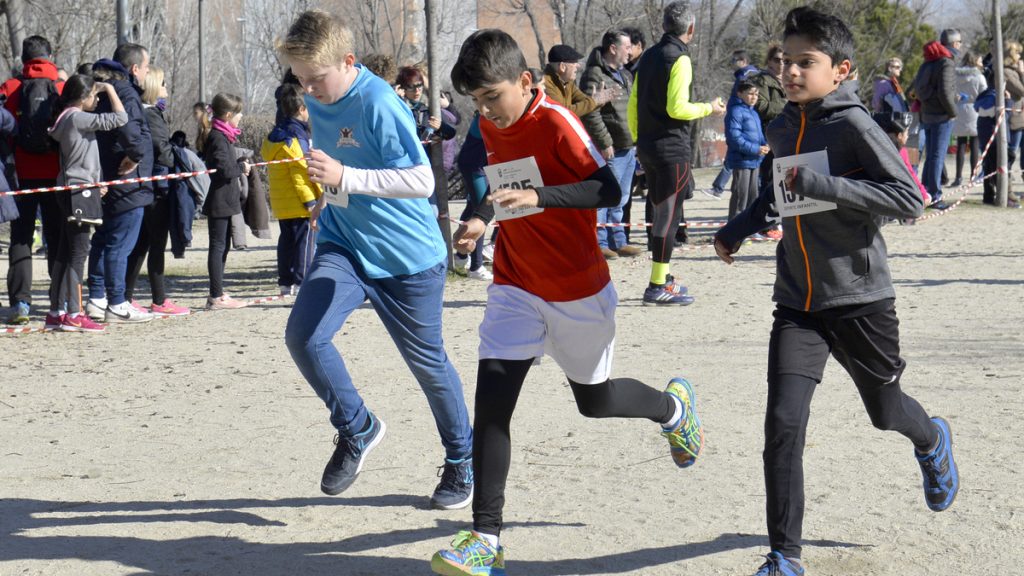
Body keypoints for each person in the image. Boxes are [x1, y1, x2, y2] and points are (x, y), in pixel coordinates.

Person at [430, 29, 705, 576]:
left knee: (595, 402)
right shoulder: (489, 124)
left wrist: (540, 198)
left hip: (577, 290)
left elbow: (609, 189)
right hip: (514, 284)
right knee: (493, 404)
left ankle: (674, 410)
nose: (487, 112)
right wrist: (482, 217)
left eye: (493, 98)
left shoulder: (557, 121)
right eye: (478, 102)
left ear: (525, 81)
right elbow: (496, 186)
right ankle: (486, 536)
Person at [714, 8, 959, 575]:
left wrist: (825, 184)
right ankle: (785, 556)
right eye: (786, 61)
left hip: (860, 300)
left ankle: (931, 439)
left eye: (807, 62)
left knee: (885, 411)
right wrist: (738, 228)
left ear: (842, 69)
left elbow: (908, 198)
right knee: (783, 423)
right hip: (797, 302)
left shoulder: (854, 126)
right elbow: (779, 189)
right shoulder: (781, 124)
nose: (792, 72)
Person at [277, 10, 474, 510]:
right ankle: (357, 426)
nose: (308, 90)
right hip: (344, 245)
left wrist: (346, 176)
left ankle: (462, 460)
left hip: (407, 259)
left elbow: (421, 181)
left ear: (348, 61)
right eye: (300, 79)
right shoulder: (318, 95)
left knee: (428, 366)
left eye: (315, 79)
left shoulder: (379, 101)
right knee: (304, 335)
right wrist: (330, 192)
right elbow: (345, 168)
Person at [629, 0, 726, 306]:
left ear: (663, 26)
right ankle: (657, 284)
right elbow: (678, 108)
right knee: (668, 218)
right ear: (691, 29)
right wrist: (709, 108)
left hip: (647, 145)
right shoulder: (679, 58)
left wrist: (638, 140)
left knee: (662, 213)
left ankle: (663, 275)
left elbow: (633, 105)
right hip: (671, 149)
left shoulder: (647, 57)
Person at [46, 75, 127, 332]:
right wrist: (111, 89)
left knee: (64, 252)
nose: (97, 99)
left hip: (74, 187)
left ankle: (56, 311)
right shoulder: (77, 117)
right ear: (83, 97)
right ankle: (74, 312)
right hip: (79, 191)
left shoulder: (66, 117)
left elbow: (83, 156)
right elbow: (120, 119)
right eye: (95, 95)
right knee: (78, 254)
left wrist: (96, 182)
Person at [86, 44, 156, 323]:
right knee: (119, 244)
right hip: (127, 182)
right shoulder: (125, 93)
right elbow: (128, 128)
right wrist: (136, 155)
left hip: (107, 176)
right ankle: (116, 302)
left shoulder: (100, 92)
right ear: (134, 68)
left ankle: (97, 299)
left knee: (103, 242)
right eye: (147, 67)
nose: (147, 72)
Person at [1, 35, 66, 325]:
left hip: (20, 175)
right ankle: (58, 300)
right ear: (50, 57)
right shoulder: (62, 88)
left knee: (21, 237)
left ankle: (20, 304)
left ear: (23, 60)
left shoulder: (10, 87)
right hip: (55, 174)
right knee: (55, 235)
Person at [124, 66, 190, 317]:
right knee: (154, 245)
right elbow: (161, 150)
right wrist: (179, 153)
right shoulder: (151, 115)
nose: (166, 88)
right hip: (157, 187)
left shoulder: (148, 113)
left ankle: (127, 296)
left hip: (149, 186)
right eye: (163, 83)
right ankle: (159, 300)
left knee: (141, 244)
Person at [580, 29, 643, 259]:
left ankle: (619, 240)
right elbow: (590, 112)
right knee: (605, 196)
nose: (630, 51)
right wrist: (605, 142)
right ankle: (600, 242)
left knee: (622, 196)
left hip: (628, 146)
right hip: (610, 147)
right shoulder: (594, 75)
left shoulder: (625, 74)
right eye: (626, 47)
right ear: (613, 48)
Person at [261, 83, 321, 297]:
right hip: (299, 202)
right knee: (304, 245)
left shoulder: (274, 135)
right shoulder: (296, 137)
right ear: (302, 109)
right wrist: (311, 201)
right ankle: (301, 283)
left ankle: (285, 282)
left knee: (286, 242)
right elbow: (300, 174)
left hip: (281, 202)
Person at [197, 92, 250, 310]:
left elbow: (226, 164)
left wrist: (237, 162)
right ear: (228, 115)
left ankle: (218, 291)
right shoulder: (218, 137)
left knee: (223, 247)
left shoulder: (225, 135)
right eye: (238, 113)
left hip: (227, 199)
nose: (241, 117)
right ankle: (215, 296)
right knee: (217, 247)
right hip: (219, 200)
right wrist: (241, 168)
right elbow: (222, 170)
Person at [702, 48, 761, 199]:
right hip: (745, 118)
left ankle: (718, 189)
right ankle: (718, 188)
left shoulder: (745, 75)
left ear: (743, 61)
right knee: (734, 156)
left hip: (741, 119)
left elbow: (743, 98)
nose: (732, 64)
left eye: (734, 61)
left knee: (736, 155)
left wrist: (732, 110)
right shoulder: (751, 74)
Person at [911, 30, 959, 210]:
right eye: (960, 42)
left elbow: (918, 88)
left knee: (929, 156)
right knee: (937, 156)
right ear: (954, 44)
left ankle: (925, 193)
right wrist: (953, 112)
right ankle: (936, 195)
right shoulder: (946, 63)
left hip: (926, 114)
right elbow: (945, 92)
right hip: (941, 116)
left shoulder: (927, 62)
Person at [451, 111, 493, 281]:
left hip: (481, 165)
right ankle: (476, 266)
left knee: (472, 208)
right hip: (475, 167)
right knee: (480, 212)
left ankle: (460, 257)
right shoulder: (486, 116)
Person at [975, 63, 1022, 207]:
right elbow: (1002, 117)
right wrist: (1007, 100)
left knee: (988, 166)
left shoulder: (984, 96)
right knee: (1004, 161)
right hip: (995, 138)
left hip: (985, 137)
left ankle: (988, 196)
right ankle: (1005, 195)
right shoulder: (995, 98)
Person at [724, 80, 769, 220]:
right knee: (740, 198)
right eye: (750, 93)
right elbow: (734, 138)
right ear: (739, 93)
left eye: (756, 94)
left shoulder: (754, 113)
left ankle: (748, 229)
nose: (754, 97)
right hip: (741, 161)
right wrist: (755, 149)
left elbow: (759, 135)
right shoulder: (735, 111)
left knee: (753, 198)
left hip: (755, 161)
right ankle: (733, 231)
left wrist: (765, 145)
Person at [873, 111, 931, 208]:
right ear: (899, 136)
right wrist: (924, 195)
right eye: (907, 133)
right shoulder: (902, 151)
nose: (908, 136)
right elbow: (911, 174)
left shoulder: (878, 145)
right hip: (895, 193)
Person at [542, 44, 611, 118]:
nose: (578, 66)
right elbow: (562, 112)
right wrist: (594, 101)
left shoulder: (567, 82)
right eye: (574, 62)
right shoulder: (544, 84)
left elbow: (584, 101)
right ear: (562, 66)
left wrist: (599, 99)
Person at [951, 51, 985, 187]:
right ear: (975, 61)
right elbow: (985, 92)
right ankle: (973, 176)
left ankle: (958, 177)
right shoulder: (979, 77)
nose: (982, 64)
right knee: (975, 144)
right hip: (975, 109)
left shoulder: (955, 75)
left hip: (959, 108)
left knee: (961, 144)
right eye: (980, 61)